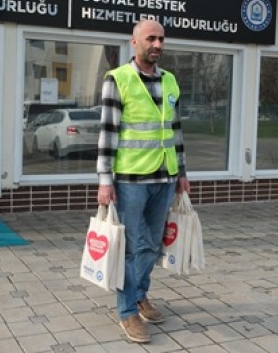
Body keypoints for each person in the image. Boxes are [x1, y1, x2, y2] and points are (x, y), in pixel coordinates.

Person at [97, 19, 190, 343]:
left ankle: (139, 294)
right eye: (151, 38)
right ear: (134, 43)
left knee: (151, 245)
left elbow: (175, 131)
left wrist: (182, 173)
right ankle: (127, 312)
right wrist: (104, 180)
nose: (158, 45)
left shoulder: (170, 81)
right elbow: (107, 134)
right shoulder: (118, 80)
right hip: (130, 181)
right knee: (130, 249)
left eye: (161, 39)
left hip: (164, 178)